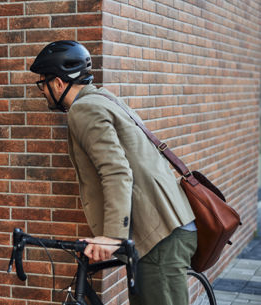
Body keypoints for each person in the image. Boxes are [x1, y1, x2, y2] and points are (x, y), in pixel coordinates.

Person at [29, 40, 197, 305]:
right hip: (163, 230)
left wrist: (113, 237)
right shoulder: (103, 98)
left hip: (160, 239)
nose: (42, 91)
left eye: (43, 84)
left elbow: (116, 171)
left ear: (58, 83)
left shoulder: (84, 109)